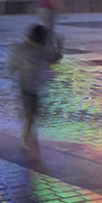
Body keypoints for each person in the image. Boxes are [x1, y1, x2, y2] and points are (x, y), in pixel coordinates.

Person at [8, 23, 60, 159]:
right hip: (29, 87)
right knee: (31, 116)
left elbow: (13, 65)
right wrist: (59, 45)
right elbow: (55, 57)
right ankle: (27, 141)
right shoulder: (39, 49)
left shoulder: (24, 48)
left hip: (28, 86)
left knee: (31, 116)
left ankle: (27, 140)